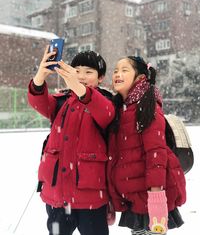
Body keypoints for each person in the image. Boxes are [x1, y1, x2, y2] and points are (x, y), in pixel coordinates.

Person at [27, 46, 115, 235]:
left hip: (91, 196)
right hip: (57, 195)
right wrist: (40, 76)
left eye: (88, 72)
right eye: (77, 71)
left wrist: (79, 88)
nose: (81, 76)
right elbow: (39, 102)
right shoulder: (60, 101)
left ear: (101, 78)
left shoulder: (106, 101)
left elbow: (105, 114)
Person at [107, 56, 186, 235]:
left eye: (124, 70)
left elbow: (156, 152)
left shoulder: (146, 105)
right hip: (133, 195)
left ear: (140, 77)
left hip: (149, 195)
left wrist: (156, 194)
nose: (118, 74)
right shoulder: (120, 107)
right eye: (115, 70)